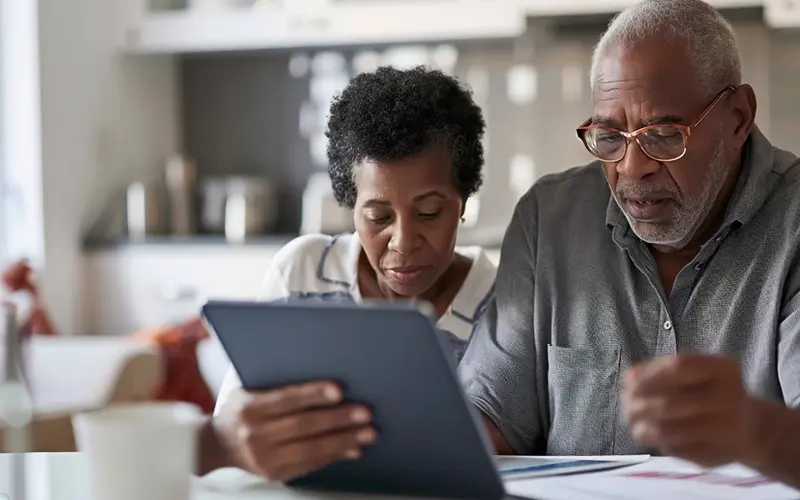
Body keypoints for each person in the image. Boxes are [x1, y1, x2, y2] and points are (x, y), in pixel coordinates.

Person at [459, 0, 800, 488]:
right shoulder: (549, 220)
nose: (631, 167)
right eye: (609, 136)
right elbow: (488, 421)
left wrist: (754, 431)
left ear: (738, 117)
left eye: (663, 135)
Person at [198, 66, 496, 480]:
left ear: (462, 201)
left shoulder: (499, 301)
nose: (403, 242)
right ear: (350, 206)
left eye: (429, 213)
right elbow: (237, 416)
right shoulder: (303, 272)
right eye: (378, 216)